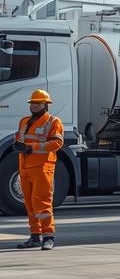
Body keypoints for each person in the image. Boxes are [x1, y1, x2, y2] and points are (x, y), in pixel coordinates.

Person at [13, 89, 64, 250]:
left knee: (42, 203)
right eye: (32, 103)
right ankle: (35, 236)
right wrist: (18, 146)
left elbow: (57, 143)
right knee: (30, 204)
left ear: (45, 104)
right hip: (25, 167)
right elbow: (20, 139)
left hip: (42, 167)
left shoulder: (53, 122)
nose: (33, 106)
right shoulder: (24, 121)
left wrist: (31, 147)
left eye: (37, 103)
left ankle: (48, 236)